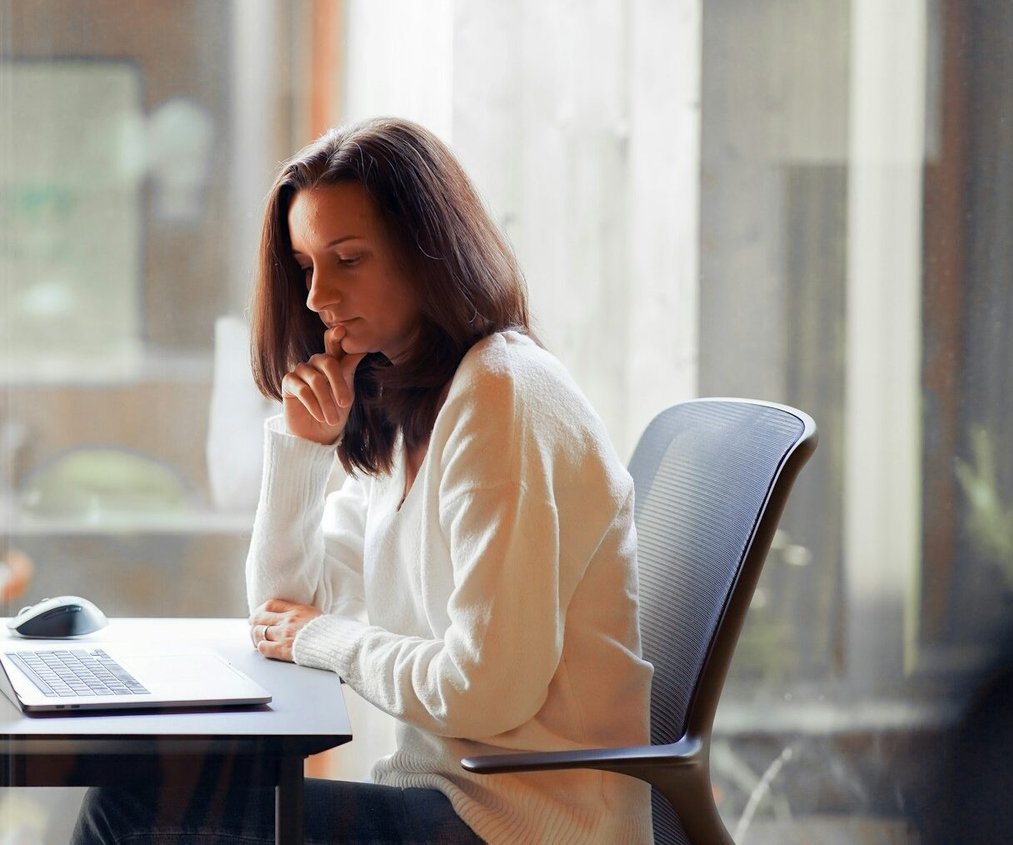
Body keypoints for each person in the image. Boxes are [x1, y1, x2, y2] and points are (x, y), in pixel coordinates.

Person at [75, 117, 653, 843]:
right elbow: (280, 609)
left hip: (523, 827)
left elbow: (485, 691)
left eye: (348, 259)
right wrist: (303, 446)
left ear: (428, 254)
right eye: (305, 265)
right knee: (142, 798)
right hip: (450, 803)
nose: (317, 295)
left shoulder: (501, 397)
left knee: (131, 809)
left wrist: (322, 638)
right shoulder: (408, 409)